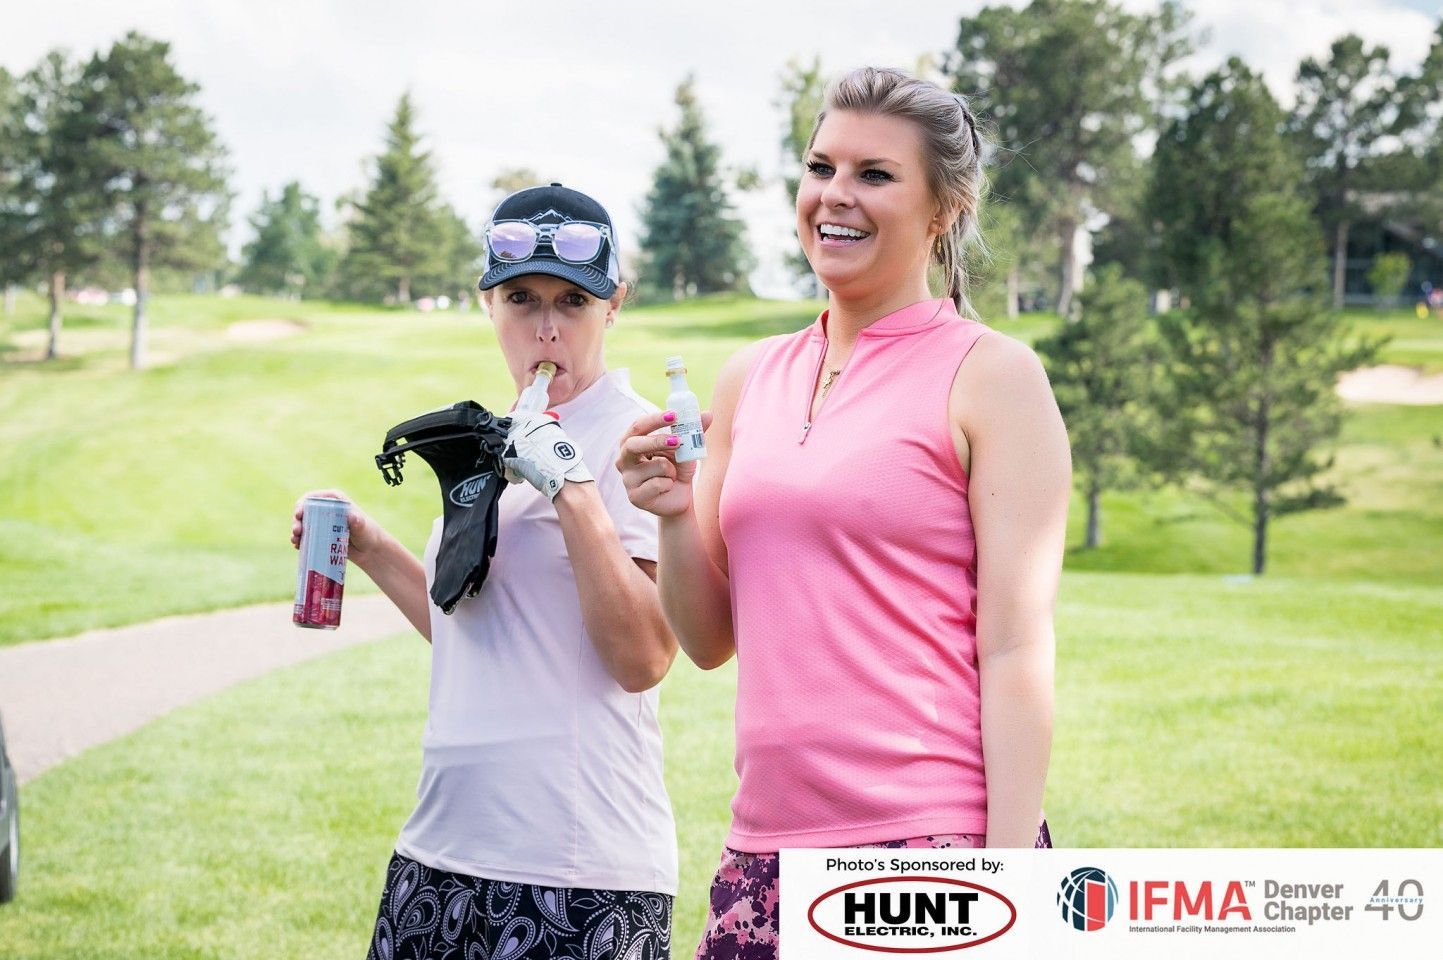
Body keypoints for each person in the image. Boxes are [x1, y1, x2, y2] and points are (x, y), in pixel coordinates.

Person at [617, 67, 1070, 958]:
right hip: (762, 852)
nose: (835, 196)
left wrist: (1010, 890)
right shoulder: (751, 376)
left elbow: (1016, 644)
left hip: (930, 853)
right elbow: (708, 642)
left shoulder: (993, 377)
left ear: (945, 207)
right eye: (820, 166)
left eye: (874, 174)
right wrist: (671, 515)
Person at [292, 183, 680, 960]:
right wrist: (371, 548)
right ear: (488, 304)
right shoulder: (495, 442)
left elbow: (643, 658)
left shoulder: (634, 439)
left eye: (573, 301)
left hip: (574, 867)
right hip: (439, 850)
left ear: (614, 307)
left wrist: (569, 485)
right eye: (520, 299)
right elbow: (476, 633)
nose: (545, 326)